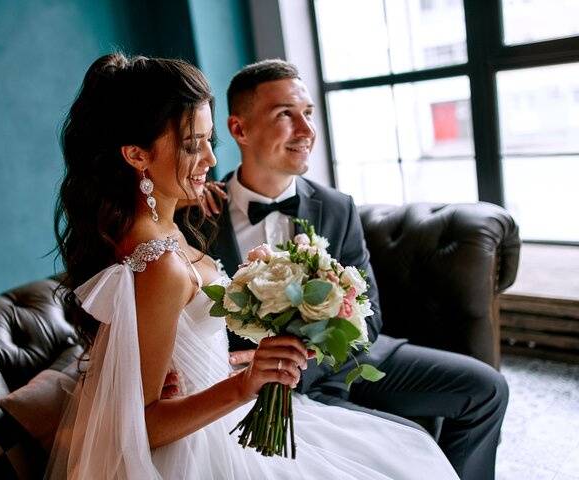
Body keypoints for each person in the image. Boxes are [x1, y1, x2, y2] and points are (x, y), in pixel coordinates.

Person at [46, 52, 458, 479]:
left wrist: (229, 368)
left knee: (400, 453)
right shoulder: (160, 264)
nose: (209, 158)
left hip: (220, 415)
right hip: (204, 446)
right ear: (136, 155)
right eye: (192, 145)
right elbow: (141, 426)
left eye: (209, 141)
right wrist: (245, 384)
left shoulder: (157, 235)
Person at [184, 59, 509, 479]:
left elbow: (367, 313)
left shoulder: (337, 207)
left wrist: (305, 365)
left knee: (485, 389)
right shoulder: (198, 215)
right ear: (239, 129)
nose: (306, 131)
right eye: (286, 114)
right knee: (407, 449)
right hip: (252, 381)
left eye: (308, 114)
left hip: (349, 362)